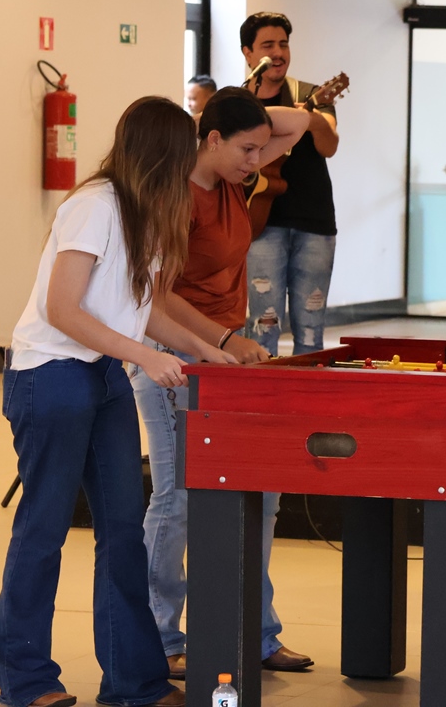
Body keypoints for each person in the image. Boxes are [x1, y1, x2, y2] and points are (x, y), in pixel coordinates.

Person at [0, 96, 231, 707]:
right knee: (44, 529)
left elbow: (142, 307)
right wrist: (146, 356)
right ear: (161, 155)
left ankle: (133, 681)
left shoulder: (147, 213)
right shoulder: (94, 206)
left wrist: (210, 350)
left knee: (123, 530)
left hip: (102, 376)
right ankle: (26, 681)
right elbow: (62, 309)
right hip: (50, 375)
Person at [130, 88, 317, 679]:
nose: (257, 160)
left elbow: (300, 121)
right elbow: (157, 298)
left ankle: (256, 632)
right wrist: (223, 340)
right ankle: (160, 637)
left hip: (227, 351)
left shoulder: (236, 179)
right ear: (211, 140)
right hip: (174, 352)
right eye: (246, 149)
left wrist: (240, 116)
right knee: (178, 496)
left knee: (262, 491)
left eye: (261, 149)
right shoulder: (173, 195)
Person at [239, 12, 340, 355]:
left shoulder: (311, 94)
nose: (278, 52)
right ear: (248, 53)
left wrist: (310, 119)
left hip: (314, 223)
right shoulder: (238, 101)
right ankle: (261, 387)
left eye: (283, 44)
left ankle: (307, 388)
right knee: (263, 325)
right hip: (259, 224)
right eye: (268, 45)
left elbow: (329, 146)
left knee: (311, 328)